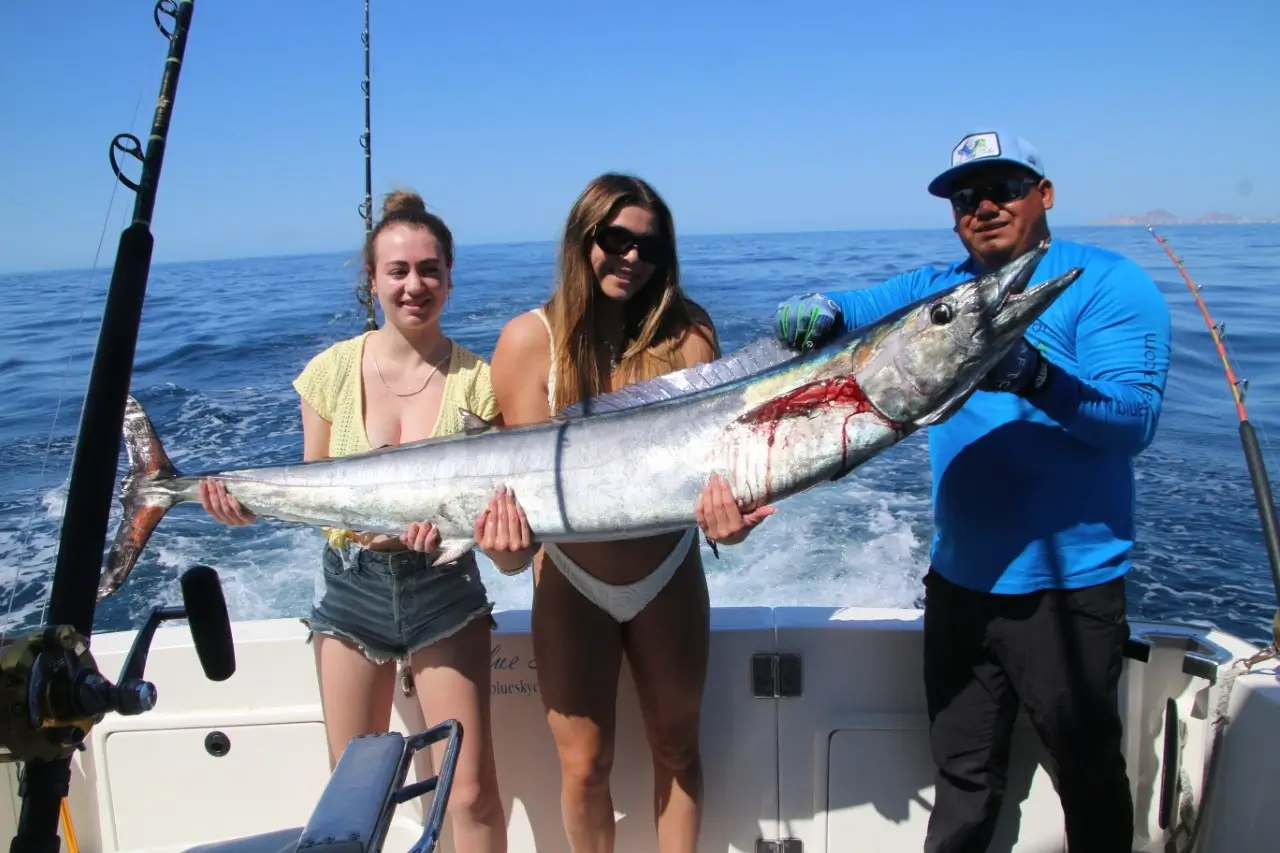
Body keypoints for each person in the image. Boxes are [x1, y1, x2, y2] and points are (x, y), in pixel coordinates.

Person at [773, 129, 1172, 853]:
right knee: (962, 777)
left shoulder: (1109, 283)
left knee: (1088, 779)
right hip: (959, 584)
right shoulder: (939, 293)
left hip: (1068, 593)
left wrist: (1038, 378)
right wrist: (817, 305)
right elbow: (849, 307)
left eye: (1004, 188)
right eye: (965, 197)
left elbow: (1133, 422)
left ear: (1044, 194)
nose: (983, 206)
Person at [198, 189, 520, 853]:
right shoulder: (329, 373)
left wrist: (488, 538)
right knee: (350, 800)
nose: (414, 285)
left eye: (429, 270)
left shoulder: (480, 382)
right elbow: (315, 493)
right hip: (351, 594)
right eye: (397, 271)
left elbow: (500, 534)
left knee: (470, 794)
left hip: (444, 590)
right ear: (372, 280)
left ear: (450, 278)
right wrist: (241, 509)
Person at [482, 172, 771, 853]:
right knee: (585, 768)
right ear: (581, 239)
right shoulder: (527, 342)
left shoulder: (691, 334)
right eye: (616, 239)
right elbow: (518, 508)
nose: (633, 257)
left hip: (668, 570)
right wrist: (504, 552)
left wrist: (727, 523)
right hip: (571, 579)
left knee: (677, 749)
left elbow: (719, 468)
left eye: (650, 246)